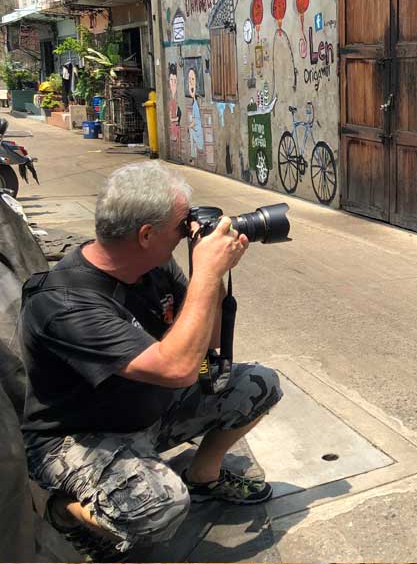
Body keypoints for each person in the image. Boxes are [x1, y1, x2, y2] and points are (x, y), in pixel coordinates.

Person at [18, 161, 283, 561]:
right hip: (78, 437)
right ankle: (63, 511)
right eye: (182, 226)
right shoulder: (65, 304)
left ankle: (203, 475)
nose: (189, 232)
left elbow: (206, 345)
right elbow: (178, 369)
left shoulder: (153, 267)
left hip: (147, 408)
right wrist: (206, 273)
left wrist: (210, 276)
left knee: (259, 384)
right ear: (146, 235)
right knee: (161, 508)